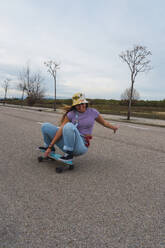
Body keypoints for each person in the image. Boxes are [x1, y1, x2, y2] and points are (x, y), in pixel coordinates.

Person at [39, 92, 118, 162]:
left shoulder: (92, 112)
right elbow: (61, 129)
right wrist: (50, 146)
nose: (80, 106)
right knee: (45, 126)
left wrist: (113, 127)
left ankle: (69, 155)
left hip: (81, 145)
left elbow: (104, 123)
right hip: (68, 142)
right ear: (75, 106)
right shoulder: (71, 114)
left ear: (85, 103)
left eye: (82, 103)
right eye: (77, 105)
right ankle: (50, 150)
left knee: (69, 126)